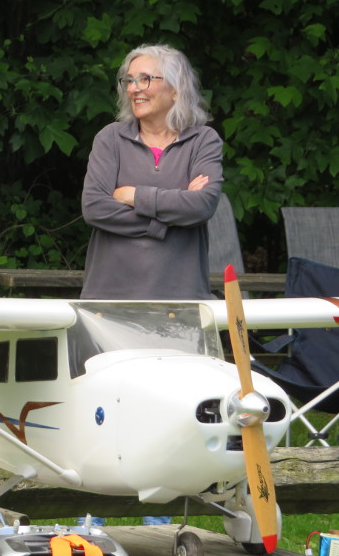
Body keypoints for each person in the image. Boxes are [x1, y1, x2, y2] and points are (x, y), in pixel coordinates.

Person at [80, 43, 223, 527]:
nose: (135, 89)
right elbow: (95, 207)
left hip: (178, 302)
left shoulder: (203, 140)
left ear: (175, 88)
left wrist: (135, 196)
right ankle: (91, 514)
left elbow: (203, 207)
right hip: (109, 302)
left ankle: (162, 520)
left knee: (172, 414)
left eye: (146, 79)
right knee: (101, 411)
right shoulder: (110, 139)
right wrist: (168, 213)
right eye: (130, 80)